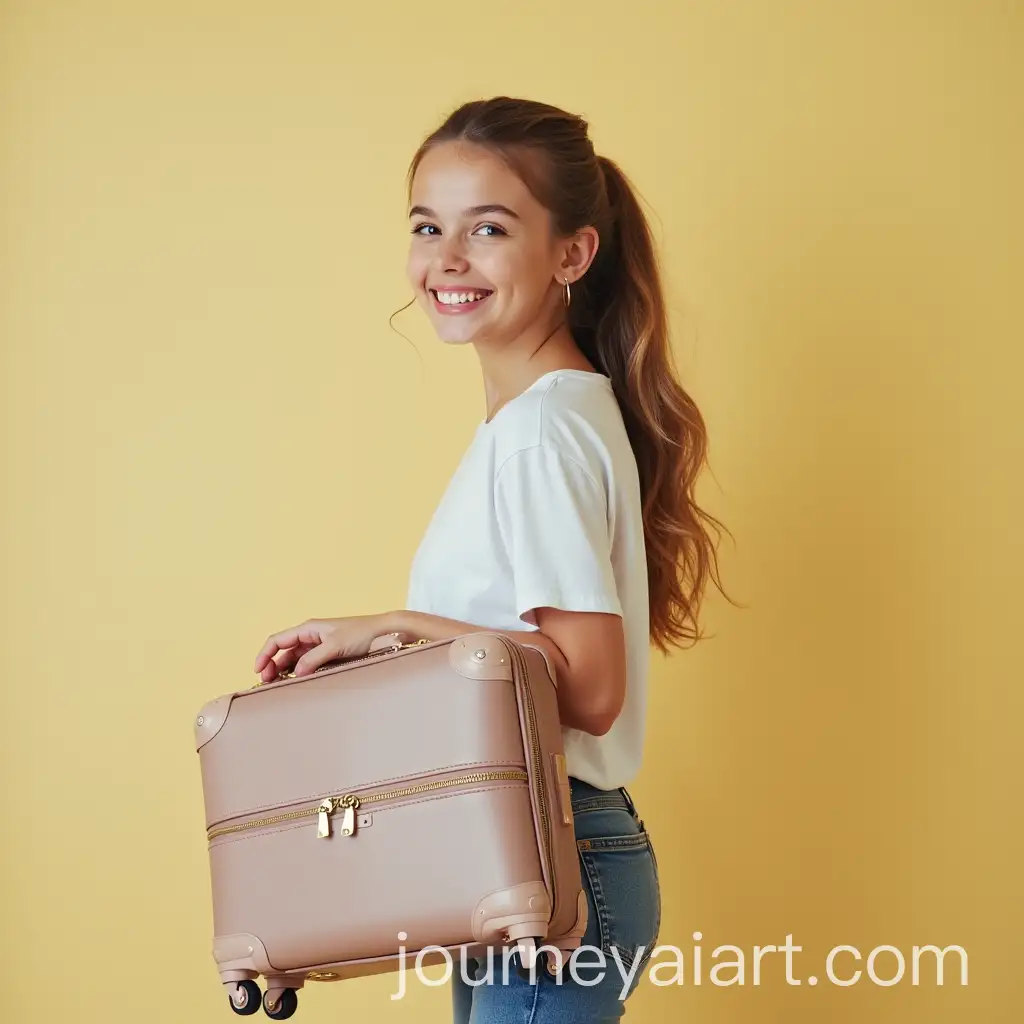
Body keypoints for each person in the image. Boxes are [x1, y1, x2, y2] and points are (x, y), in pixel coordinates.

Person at [252, 96, 728, 1022]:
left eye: (490, 228)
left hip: (556, 863)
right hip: (524, 855)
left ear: (572, 253)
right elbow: (506, 686)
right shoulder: (544, 419)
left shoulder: (541, 435)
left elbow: (587, 690)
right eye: (429, 226)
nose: (448, 260)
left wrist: (393, 626)